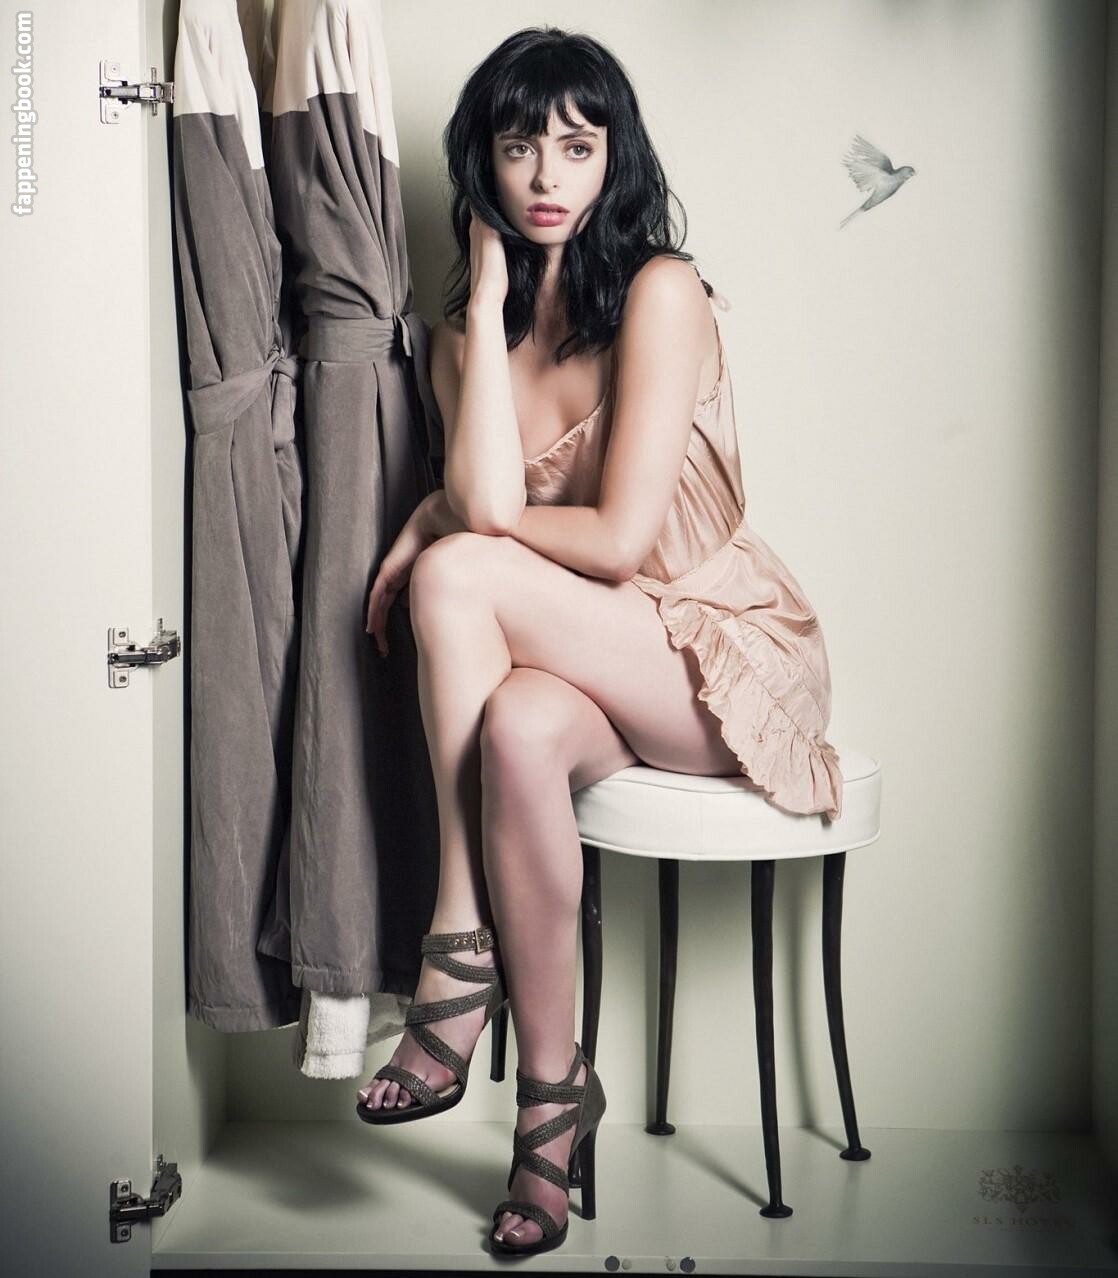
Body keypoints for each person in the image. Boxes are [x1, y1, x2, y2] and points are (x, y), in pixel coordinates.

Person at [355, 25, 843, 1258]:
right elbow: (483, 497)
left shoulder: (659, 291)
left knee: (457, 572)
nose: (545, 176)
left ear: (614, 157)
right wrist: (481, 306)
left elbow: (620, 541)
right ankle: (551, 1108)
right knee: (516, 727)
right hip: (588, 667)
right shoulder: (468, 337)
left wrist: (441, 527)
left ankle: (454, 947)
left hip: (709, 650)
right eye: (519, 146)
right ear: (482, 163)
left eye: (577, 147)